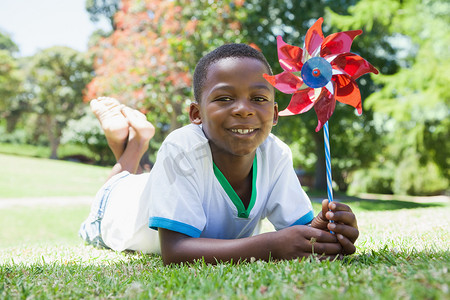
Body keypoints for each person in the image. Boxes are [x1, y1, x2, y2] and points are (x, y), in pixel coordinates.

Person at [80, 44, 359, 265]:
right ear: (196, 114)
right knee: (121, 181)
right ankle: (135, 143)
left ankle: (137, 138)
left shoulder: (276, 154)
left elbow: (300, 231)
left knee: (143, 178)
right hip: (114, 207)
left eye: (259, 99)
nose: (243, 109)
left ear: (274, 114)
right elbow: (175, 251)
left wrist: (326, 232)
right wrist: (273, 245)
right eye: (224, 98)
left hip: (155, 186)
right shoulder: (180, 147)